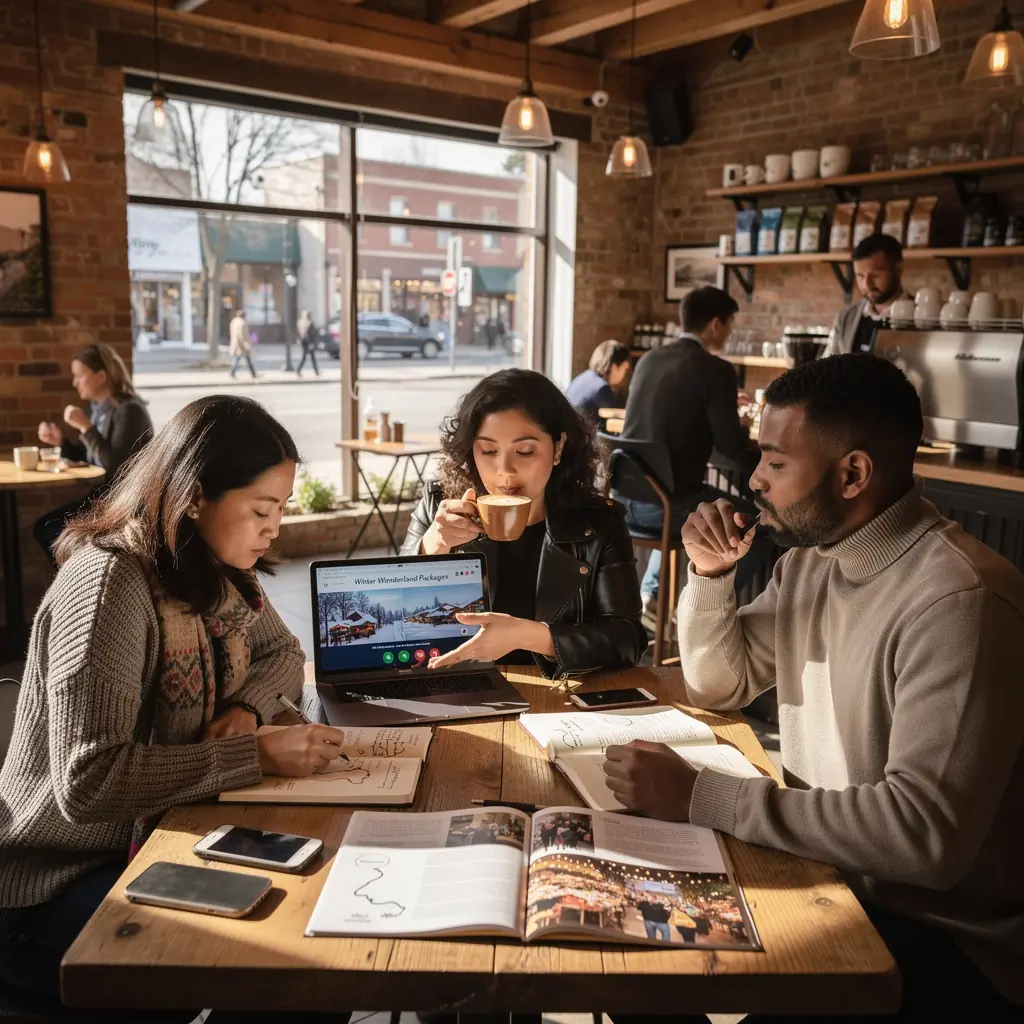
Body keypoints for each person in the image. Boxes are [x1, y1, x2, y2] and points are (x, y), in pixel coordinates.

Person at [603, 355, 1024, 1022]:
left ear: (853, 473)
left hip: (940, 938)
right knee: (625, 945)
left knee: (648, 972)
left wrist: (700, 795)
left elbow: (923, 837)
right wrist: (711, 577)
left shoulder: (958, 598)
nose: (754, 480)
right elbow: (719, 684)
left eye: (774, 461)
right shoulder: (811, 567)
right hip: (830, 873)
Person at [0, 394, 347, 1023]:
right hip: (52, 882)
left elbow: (280, 656)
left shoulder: (218, 570)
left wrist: (246, 708)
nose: (275, 528)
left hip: (167, 836)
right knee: (281, 975)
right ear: (193, 496)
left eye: (283, 509)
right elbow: (89, 782)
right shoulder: (110, 585)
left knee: (311, 949)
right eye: (261, 510)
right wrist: (249, 754)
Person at [401, 368, 646, 676]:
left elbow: (627, 641)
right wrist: (432, 546)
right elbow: (399, 620)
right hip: (459, 683)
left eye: (525, 451)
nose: (505, 470)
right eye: (488, 450)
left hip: (560, 698)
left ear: (558, 448)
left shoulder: (599, 523)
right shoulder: (442, 504)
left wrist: (531, 636)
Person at [617, 286, 760, 624]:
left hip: (626, 501)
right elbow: (730, 448)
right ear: (715, 324)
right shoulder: (717, 370)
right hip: (665, 508)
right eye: (730, 324)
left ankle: (651, 595)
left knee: (682, 499)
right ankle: (695, 607)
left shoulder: (649, 359)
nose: (729, 331)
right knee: (760, 523)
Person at [33, 343, 154, 561]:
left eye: (79, 375)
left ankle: (81, 578)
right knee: (46, 529)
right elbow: (90, 460)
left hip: (122, 503)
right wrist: (61, 441)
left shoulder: (129, 411)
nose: (74, 382)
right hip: (103, 498)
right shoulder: (98, 410)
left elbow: (115, 466)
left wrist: (86, 428)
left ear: (101, 376)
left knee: (49, 530)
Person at [827, 233, 908, 355]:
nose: (866, 285)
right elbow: (828, 367)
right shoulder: (846, 318)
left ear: (899, 269)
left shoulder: (923, 318)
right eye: (860, 276)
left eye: (875, 275)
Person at [565, 340, 631, 426]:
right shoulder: (602, 389)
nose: (625, 375)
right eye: (625, 369)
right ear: (614, 367)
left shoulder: (581, 378)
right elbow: (614, 422)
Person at [229, 308, 258, 379]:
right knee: (242, 359)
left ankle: (253, 373)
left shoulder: (233, 322)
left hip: (235, 343)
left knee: (239, 359)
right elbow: (243, 336)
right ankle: (232, 372)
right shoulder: (242, 324)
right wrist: (247, 344)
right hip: (241, 345)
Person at [296, 309, 321, 377]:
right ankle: (299, 370)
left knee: (309, 357)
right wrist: (312, 343)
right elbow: (312, 334)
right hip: (307, 342)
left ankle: (316, 372)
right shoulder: (309, 323)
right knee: (308, 357)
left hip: (304, 342)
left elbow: (300, 333)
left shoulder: (300, 322)